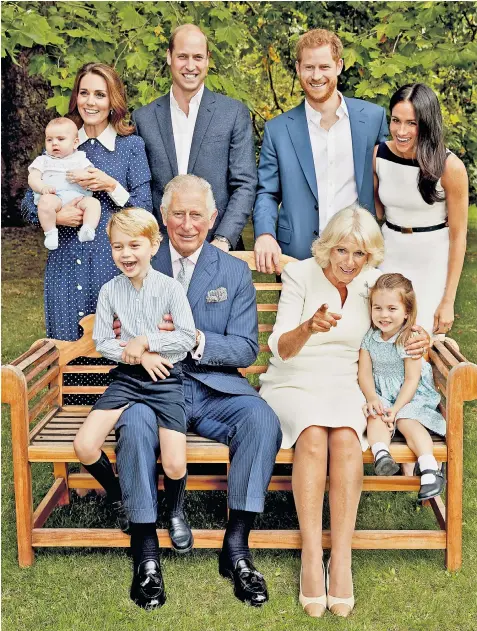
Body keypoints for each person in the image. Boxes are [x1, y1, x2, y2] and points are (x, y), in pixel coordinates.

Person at [114, 174, 282, 610]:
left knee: (261, 418)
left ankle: (237, 546)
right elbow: (117, 324)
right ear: (163, 218)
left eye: (196, 215)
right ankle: (146, 550)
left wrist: (194, 339)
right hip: (153, 385)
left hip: (213, 388)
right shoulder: (140, 260)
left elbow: (246, 348)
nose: (187, 224)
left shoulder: (232, 271)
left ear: (212, 219)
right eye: (178, 214)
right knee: (132, 424)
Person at [259, 206, 429, 618]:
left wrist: (419, 335)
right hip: (294, 377)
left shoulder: (371, 283)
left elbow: (400, 315)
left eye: (359, 254)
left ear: (370, 256)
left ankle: (343, 558)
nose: (349, 262)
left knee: (349, 440)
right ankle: (312, 555)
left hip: (344, 381)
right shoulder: (300, 274)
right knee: (314, 435)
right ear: (327, 248)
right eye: (342, 251)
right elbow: (279, 348)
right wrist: (308, 327)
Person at [73, 208, 196, 558]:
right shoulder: (110, 291)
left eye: (134, 245)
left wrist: (148, 341)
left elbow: (186, 337)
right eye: (117, 247)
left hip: (165, 379)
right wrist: (138, 353)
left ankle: (174, 511)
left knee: (174, 463)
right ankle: (119, 498)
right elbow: (102, 341)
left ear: (153, 245)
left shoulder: (171, 288)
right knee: (84, 445)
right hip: (128, 377)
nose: (126, 254)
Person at [21, 62, 153, 342]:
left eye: (100, 95)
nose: (90, 102)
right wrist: (56, 218)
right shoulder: (60, 141)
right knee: (66, 349)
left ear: (113, 100)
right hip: (65, 263)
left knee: (116, 349)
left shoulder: (130, 147)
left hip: (112, 264)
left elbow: (145, 209)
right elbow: (26, 204)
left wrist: (111, 186)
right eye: (84, 93)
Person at [253, 28, 388, 272]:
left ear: (339, 66)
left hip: (359, 254)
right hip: (297, 255)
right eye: (309, 67)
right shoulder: (278, 130)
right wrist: (264, 233)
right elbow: (267, 193)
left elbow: (390, 178)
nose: (316, 76)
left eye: (324, 67)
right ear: (298, 68)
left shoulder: (372, 119)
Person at [132, 24, 257, 251]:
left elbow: (244, 184)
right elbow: (142, 188)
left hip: (218, 247)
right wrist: (152, 239)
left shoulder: (232, 113)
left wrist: (223, 239)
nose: (190, 66)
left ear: (208, 60)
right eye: (182, 56)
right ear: (169, 56)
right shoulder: (143, 118)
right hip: (161, 251)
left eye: (198, 57)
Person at [374, 83, 468, 338]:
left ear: (426, 124)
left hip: (431, 261)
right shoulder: (379, 156)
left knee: (421, 342)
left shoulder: (450, 167)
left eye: (411, 123)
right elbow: (377, 212)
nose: (401, 131)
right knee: (383, 338)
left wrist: (448, 300)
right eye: (395, 120)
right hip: (389, 256)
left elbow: (459, 237)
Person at [359, 273, 446, 503]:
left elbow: (411, 380)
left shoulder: (409, 338)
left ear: (406, 311)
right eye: (377, 308)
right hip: (382, 394)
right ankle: (382, 454)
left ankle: (429, 469)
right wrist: (372, 397)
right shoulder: (369, 338)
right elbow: (365, 373)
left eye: (391, 308)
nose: (383, 315)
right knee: (375, 416)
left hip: (409, 396)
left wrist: (396, 410)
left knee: (407, 422)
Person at [28, 117, 101, 250]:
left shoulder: (81, 159)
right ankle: (50, 232)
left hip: (78, 198)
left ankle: (88, 228)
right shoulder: (43, 160)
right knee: (45, 203)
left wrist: (84, 176)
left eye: (60, 139)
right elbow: (33, 178)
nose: (54, 143)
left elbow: (92, 176)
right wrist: (42, 187)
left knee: (93, 204)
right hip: (54, 197)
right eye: (49, 139)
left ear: (75, 143)